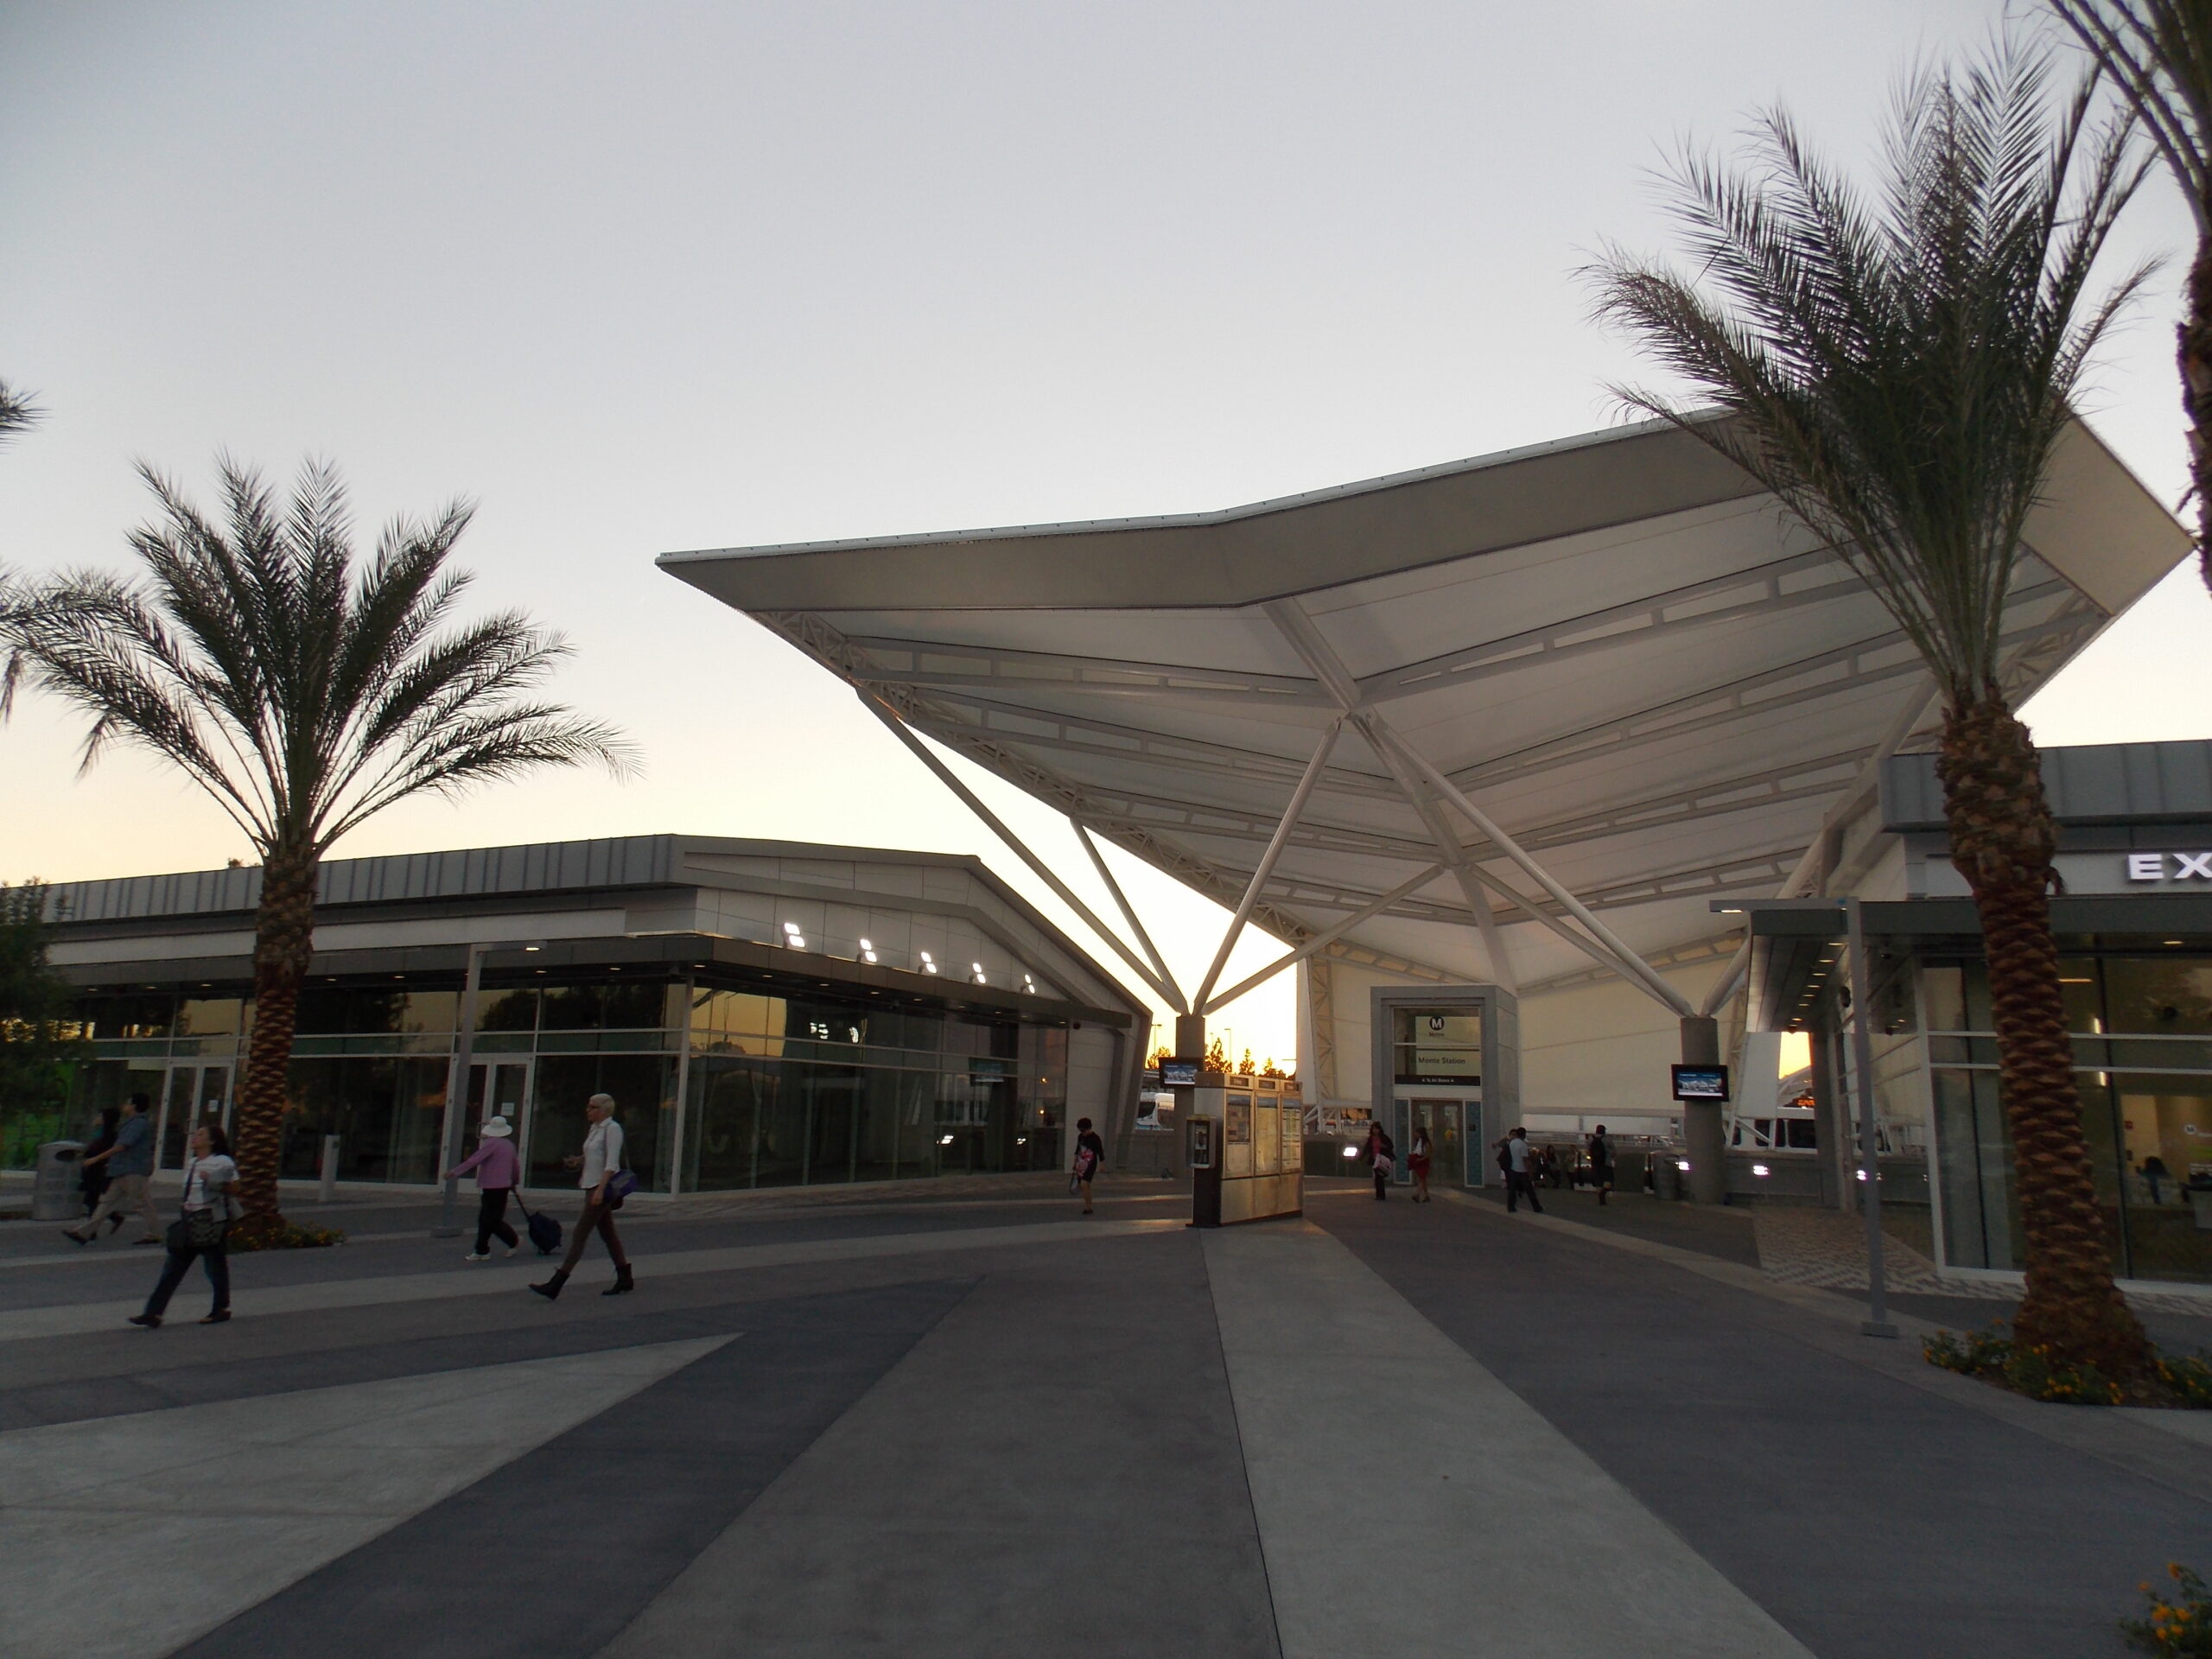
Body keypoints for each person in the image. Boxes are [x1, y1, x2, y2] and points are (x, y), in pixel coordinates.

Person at [128, 1123, 236, 1327]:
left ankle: (220, 1308)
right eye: (195, 1134)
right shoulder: (192, 1162)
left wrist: (212, 1180)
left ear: (212, 1141)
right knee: (172, 1268)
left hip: (212, 1221)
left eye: (201, 1134)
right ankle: (153, 1312)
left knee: (215, 1267)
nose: (195, 1137)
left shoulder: (222, 1162)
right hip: (190, 1219)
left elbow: (235, 1187)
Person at [531, 1093, 633, 1300]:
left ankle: (557, 1283)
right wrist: (578, 1161)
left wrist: (600, 1190)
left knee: (580, 1234)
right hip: (590, 1184)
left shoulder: (612, 1129)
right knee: (608, 1234)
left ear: (604, 1110)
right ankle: (624, 1276)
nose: (588, 1110)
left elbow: (612, 1163)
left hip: (600, 1187)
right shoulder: (595, 1129)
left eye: (593, 1107)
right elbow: (593, 1154)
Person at [63, 1093, 162, 1246]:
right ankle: (84, 1233)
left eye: (127, 1103)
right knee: (106, 1202)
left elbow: (123, 1145)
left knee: (142, 1204)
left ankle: (154, 1234)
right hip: (120, 1170)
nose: (124, 1106)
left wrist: (96, 1159)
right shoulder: (130, 1123)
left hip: (133, 1171)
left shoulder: (138, 1124)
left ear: (134, 1106)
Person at [446, 1114, 521, 1261]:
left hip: (491, 1186)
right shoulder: (510, 1145)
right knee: (488, 1218)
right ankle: (481, 1249)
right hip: (504, 1185)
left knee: (489, 1219)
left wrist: (455, 1172)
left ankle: (512, 1240)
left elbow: (474, 1160)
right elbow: (515, 1166)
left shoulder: (491, 1144)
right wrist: (514, 1181)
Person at [79, 1104, 121, 1222]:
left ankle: (90, 1230)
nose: (96, 1118)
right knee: (93, 1200)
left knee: (93, 1199)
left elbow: (100, 1150)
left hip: (100, 1171)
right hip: (93, 1170)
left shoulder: (109, 1135)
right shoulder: (99, 1133)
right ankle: (113, 1216)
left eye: (100, 1116)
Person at [1495, 1126, 1543, 1214]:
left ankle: (1511, 1207)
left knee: (1512, 1190)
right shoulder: (1523, 1145)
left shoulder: (1512, 1143)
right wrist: (1530, 1172)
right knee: (1530, 1190)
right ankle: (1537, 1207)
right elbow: (1525, 1160)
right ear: (1524, 1135)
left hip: (1513, 1169)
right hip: (1522, 1171)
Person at [1071, 1116, 1104, 1214]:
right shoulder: (1080, 1137)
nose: (1082, 1133)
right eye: (1081, 1131)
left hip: (1091, 1164)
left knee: (1084, 1184)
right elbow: (1078, 1150)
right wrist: (1075, 1162)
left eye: (1084, 1130)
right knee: (1085, 1186)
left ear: (1089, 1128)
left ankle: (1089, 1207)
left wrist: (1102, 1163)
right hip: (1081, 1164)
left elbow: (1100, 1151)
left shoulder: (1095, 1138)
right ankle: (1088, 1205)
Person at [1364, 1122, 1395, 1200]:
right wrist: (1362, 1157)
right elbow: (1367, 1148)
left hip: (1382, 1159)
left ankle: (1381, 1195)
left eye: (1377, 1129)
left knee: (1380, 1176)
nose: (1375, 1131)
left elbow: (1391, 1146)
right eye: (1374, 1129)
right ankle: (1379, 1194)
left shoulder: (1384, 1137)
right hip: (1375, 1159)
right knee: (1377, 1177)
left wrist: (1383, 1146)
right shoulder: (1371, 1138)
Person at [1587, 1123, 1615, 1206]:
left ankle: (1601, 1200)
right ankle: (1603, 1193)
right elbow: (1614, 1151)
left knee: (1598, 1182)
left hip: (1595, 1163)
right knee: (1609, 1180)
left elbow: (1588, 1151)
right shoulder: (1608, 1139)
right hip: (1606, 1163)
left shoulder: (1591, 1139)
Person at [1408, 1121, 1433, 1204]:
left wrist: (1421, 1159)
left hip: (1423, 1161)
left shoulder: (1425, 1143)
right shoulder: (1418, 1142)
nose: (1415, 1135)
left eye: (1417, 1133)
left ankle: (1417, 1194)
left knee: (1421, 1179)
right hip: (1418, 1160)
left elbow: (1428, 1154)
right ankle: (1426, 1195)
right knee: (1423, 1179)